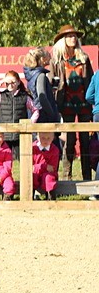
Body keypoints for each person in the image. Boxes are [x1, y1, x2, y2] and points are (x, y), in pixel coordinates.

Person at [51, 25, 93, 181]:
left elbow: (91, 81)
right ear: (63, 40)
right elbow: (53, 83)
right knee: (69, 142)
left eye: (75, 36)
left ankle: (87, 178)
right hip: (65, 104)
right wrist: (55, 101)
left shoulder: (84, 58)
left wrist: (92, 100)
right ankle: (67, 179)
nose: (73, 38)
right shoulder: (57, 61)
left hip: (84, 104)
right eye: (69, 36)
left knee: (85, 141)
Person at [0, 70, 34, 147]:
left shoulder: (25, 97)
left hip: (20, 135)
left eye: (13, 82)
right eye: (8, 83)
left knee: (20, 158)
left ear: (18, 82)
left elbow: (35, 110)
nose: (10, 85)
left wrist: (31, 122)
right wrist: (1, 82)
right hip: (3, 137)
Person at [24, 47, 61, 125]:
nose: (50, 57)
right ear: (42, 59)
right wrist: (52, 113)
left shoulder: (31, 75)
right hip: (43, 115)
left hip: (35, 113)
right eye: (48, 55)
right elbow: (42, 97)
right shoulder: (41, 75)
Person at [32, 131, 61, 200]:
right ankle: (30, 197)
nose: (46, 140)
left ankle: (51, 198)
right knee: (32, 176)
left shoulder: (55, 150)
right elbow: (31, 167)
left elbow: (52, 168)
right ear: (38, 137)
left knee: (48, 178)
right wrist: (44, 167)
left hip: (49, 174)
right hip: (35, 173)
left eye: (48, 138)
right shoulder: (32, 148)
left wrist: (37, 167)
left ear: (53, 138)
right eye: (43, 138)